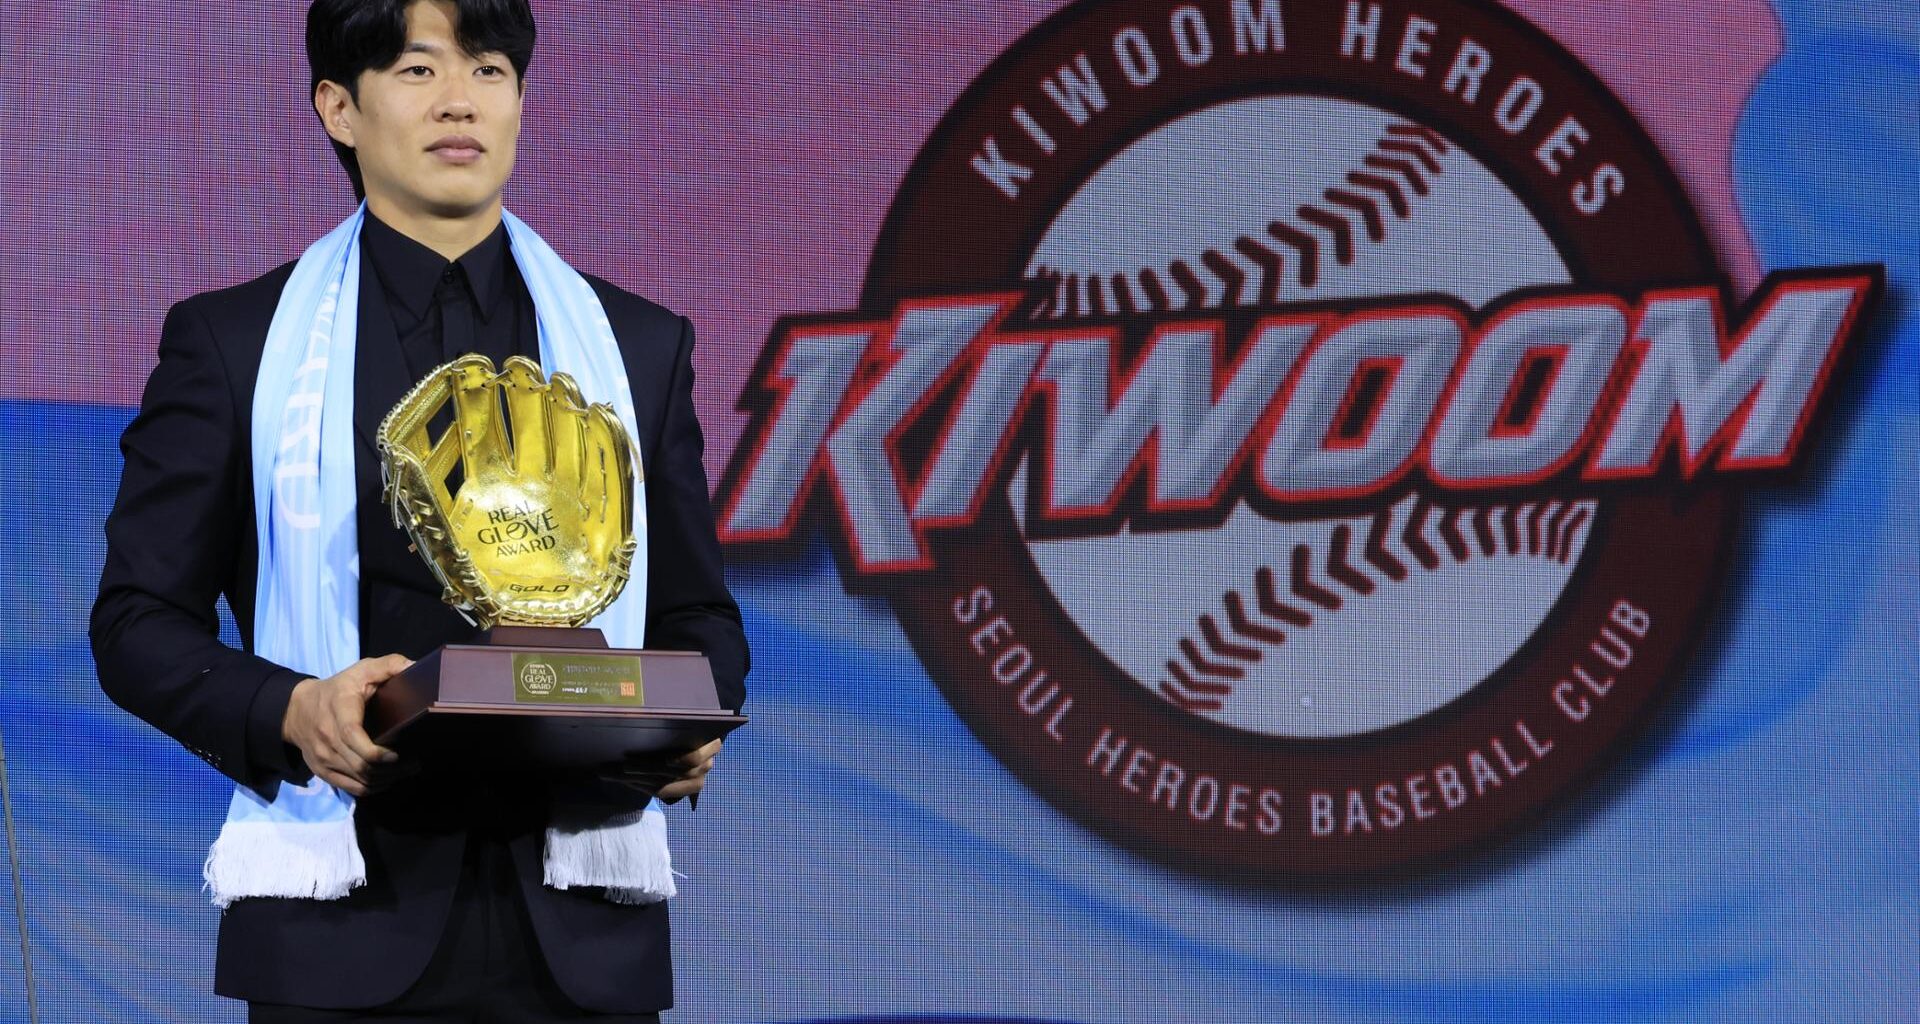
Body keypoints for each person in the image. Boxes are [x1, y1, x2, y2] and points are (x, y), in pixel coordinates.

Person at [88, 0, 748, 1019]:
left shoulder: (637, 347)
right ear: (338, 108)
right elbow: (136, 622)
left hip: (582, 944)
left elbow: (698, 613)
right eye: (417, 69)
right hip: (338, 929)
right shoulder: (235, 344)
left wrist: (688, 720)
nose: (459, 102)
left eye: (489, 70)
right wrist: (290, 710)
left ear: (521, 101)